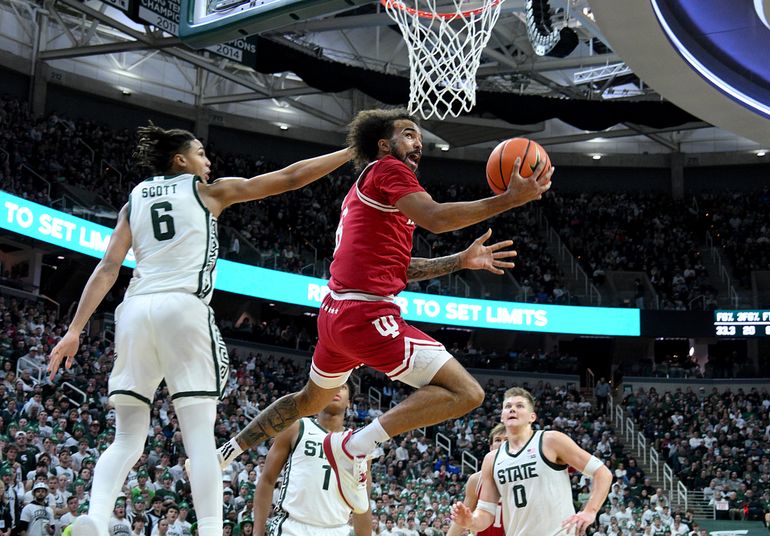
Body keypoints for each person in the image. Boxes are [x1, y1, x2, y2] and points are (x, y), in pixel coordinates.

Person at [214, 108, 552, 514]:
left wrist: (460, 261)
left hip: (336, 314)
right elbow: (438, 218)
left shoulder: (372, 192)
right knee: (468, 393)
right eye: (409, 134)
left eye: (420, 139)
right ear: (383, 144)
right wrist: (507, 200)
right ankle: (354, 448)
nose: (418, 143)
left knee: (307, 401)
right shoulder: (388, 170)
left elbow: (401, 268)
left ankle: (225, 453)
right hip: (367, 315)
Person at [46, 123, 353, 536]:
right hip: (183, 307)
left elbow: (107, 268)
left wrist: (75, 329)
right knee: (199, 439)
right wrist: (350, 152)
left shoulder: (133, 200)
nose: (208, 162)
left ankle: (96, 520)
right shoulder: (208, 192)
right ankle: (210, 530)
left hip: (134, 309)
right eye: (201, 154)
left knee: (127, 439)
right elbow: (290, 178)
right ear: (181, 160)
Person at [451, 387, 612, 536]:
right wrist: (470, 521)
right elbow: (485, 513)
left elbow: (602, 472)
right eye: (508, 406)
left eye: (520, 406)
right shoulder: (491, 459)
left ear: (532, 417)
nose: (512, 409)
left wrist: (590, 511)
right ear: (502, 416)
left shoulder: (550, 440)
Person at [253, 382, 370, 536]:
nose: (336, 389)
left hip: (337, 530)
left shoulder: (358, 444)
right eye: (332, 385)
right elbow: (267, 479)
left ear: (349, 403)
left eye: (342, 387)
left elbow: (362, 503)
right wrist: (258, 532)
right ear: (319, 396)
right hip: (292, 526)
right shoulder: (296, 427)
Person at [446, 423, 507, 536]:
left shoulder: (524, 477)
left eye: (507, 440)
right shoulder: (476, 480)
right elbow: (461, 521)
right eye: (498, 440)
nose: (502, 443)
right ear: (491, 447)